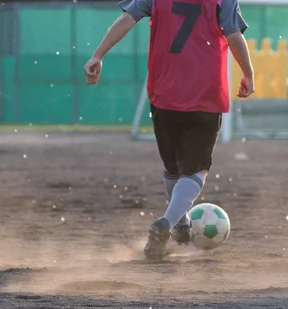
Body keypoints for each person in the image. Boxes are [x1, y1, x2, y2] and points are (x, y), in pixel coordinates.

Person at [84, 0, 254, 260]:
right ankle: (165, 224)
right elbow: (233, 36)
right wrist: (248, 74)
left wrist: (98, 55)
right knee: (196, 170)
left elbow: (127, 20)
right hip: (204, 96)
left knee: (173, 168)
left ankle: (181, 226)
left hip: (163, 94)